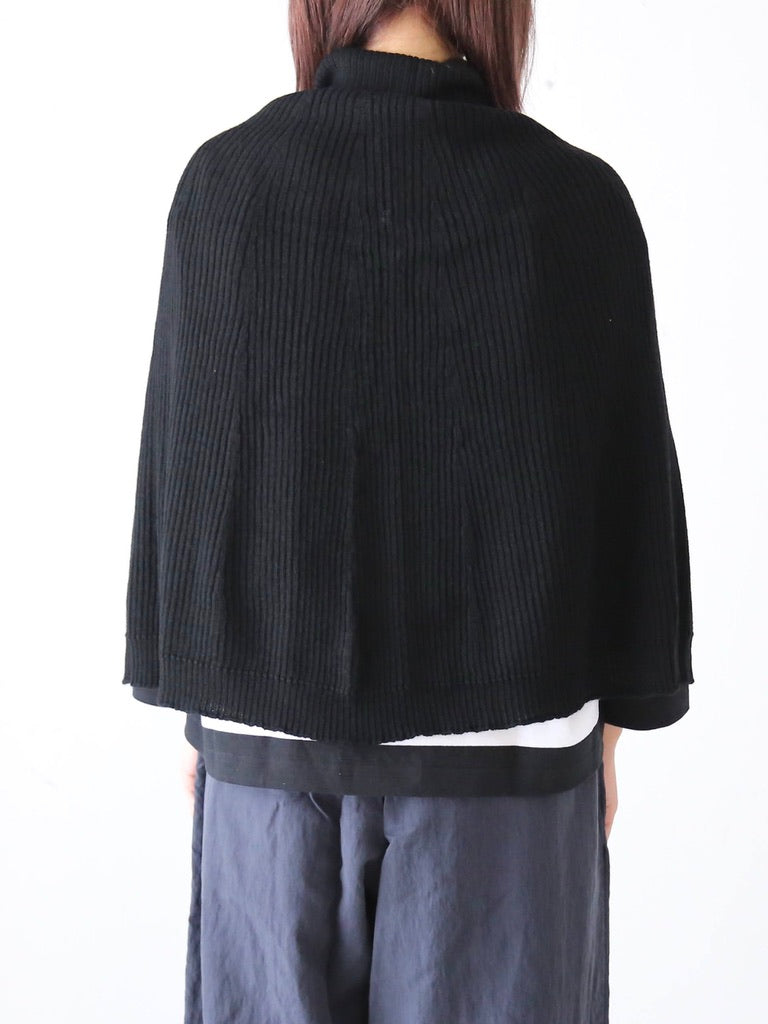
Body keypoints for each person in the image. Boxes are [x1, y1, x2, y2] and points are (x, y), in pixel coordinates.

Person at [123, 3, 695, 1021]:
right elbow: (631, 499)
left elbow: (190, 467)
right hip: (511, 767)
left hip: (269, 755)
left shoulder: (226, 186)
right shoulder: (574, 201)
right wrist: (617, 725)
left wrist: (199, 697)